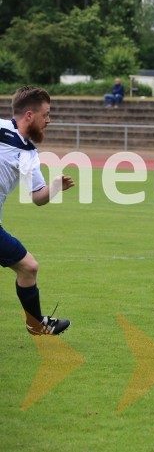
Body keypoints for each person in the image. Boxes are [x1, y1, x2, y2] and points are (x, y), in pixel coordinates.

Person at [2, 87, 75, 335]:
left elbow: (38, 198)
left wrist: (55, 187)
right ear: (30, 115)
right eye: (46, 114)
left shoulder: (30, 154)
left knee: (29, 267)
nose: (49, 120)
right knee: (29, 266)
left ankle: (35, 324)